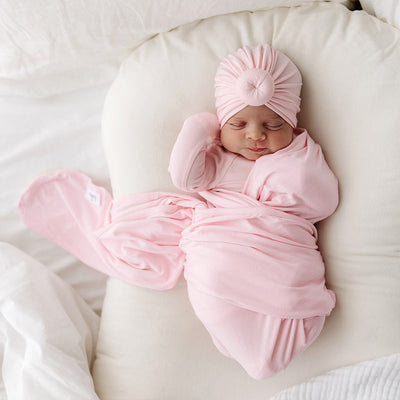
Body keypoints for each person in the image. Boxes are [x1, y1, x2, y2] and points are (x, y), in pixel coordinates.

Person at [168, 44, 339, 379]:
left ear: (292, 124)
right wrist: (199, 127)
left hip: (281, 255)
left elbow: (323, 201)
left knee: (289, 287)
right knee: (212, 275)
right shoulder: (216, 162)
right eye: (239, 123)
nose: (256, 135)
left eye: (274, 125)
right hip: (222, 250)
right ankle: (247, 346)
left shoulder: (300, 158)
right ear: (221, 126)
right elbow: (183, 178)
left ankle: (277, 335)